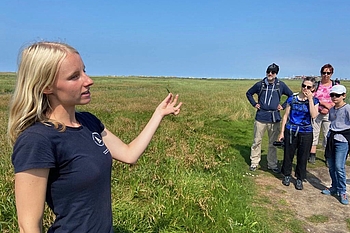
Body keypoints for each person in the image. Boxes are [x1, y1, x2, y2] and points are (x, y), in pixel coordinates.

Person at [8, 41, 182, 232]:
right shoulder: (37, 140)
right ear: (46, 87)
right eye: (74, 77)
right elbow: (28, 225)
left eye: (84, 71)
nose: (88, 80)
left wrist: (158, 114)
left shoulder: (88, 122)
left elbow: (129, 154)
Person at [246, 63, 293, 172]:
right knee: (257, 141)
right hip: (261, 117)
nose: (270, 74)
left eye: (273, 72)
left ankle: (272, 164)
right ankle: (254, 162)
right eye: (268, 72)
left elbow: (291, 95)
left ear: (276, 74)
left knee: (273, 143)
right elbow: (249, 93)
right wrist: (254, 104)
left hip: (274, 118)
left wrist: (284, 105)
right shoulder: (260, 85)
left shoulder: (280, 85)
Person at [278, 77, 319, 190]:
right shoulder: (292, 99)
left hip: (306, 132)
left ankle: (299, 178)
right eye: (303, 85)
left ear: (313, 89)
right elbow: (286, 116)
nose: (305, 88)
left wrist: (310, 99)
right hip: (291, 129)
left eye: (308, 87)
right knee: (288, 154)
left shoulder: (315, 101)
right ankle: (286, 175)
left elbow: (314, 115)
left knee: (303, 156)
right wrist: (281, 132)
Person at [322, 85, 350, 205]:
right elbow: (332, 122)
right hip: (331, 138)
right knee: (331, 165)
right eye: (332, 95)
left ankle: (342, 191)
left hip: (342, 140)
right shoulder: (332, 109)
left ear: (344, 95)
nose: (334, 97)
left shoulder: (347, 108)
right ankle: (334, 187)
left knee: (339, 166)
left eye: (337, 95)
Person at [309, 64, 336, 165]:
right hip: (317, 112)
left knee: (327, 135)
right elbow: (312, 97)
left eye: (328, 73)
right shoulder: (317, 85)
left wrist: (328, 107)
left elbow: (337, 100)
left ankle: (327, 155)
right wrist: (323, 105)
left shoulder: (334, 86)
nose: (326, 75)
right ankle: (312, 154)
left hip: (330, 113)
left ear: (331, 74)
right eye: (324, 73)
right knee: (314, 133)